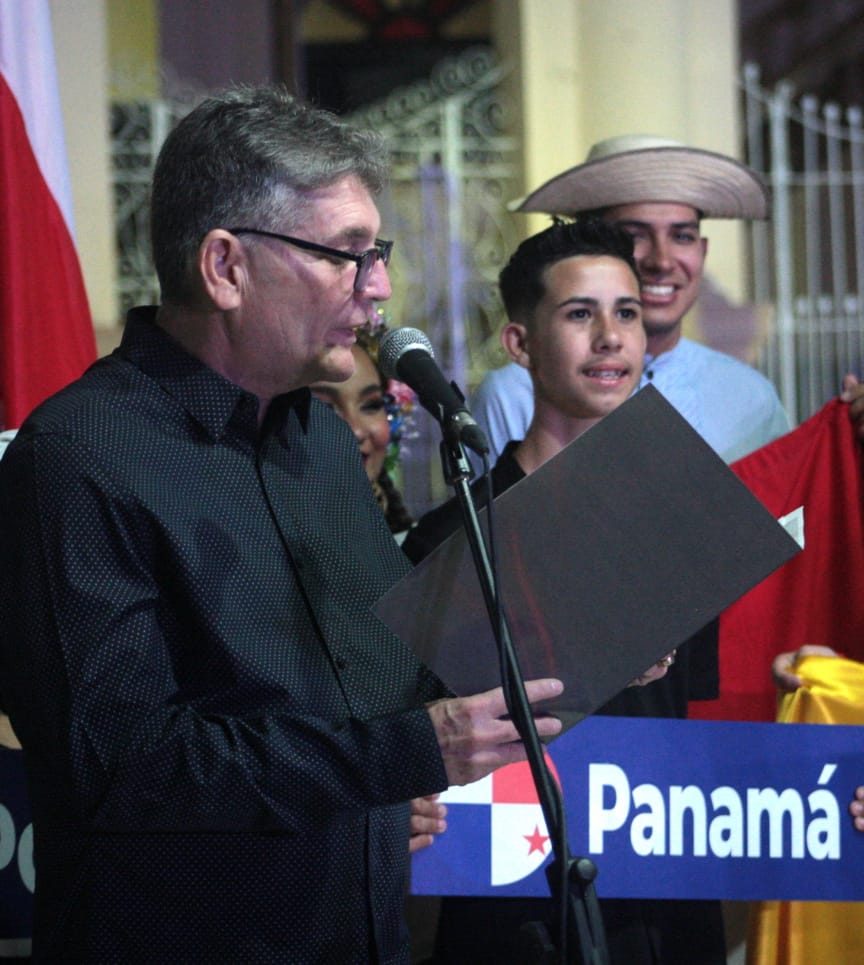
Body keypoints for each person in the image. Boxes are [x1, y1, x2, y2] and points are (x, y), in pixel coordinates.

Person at [0, 85, 564, 962]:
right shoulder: (76, 457)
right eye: (348, 254)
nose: (380, 288)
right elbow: (125, 768)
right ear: (225, 266)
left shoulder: (319, 441)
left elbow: (385, 672)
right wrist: (399, 753)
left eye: (378, 254)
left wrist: (561, 629)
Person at [408, 220, 864, 964]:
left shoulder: (686, 522)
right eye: (580, 313)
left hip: (664, 922)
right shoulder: (455, 541)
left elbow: (693, 743)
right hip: (514, 921)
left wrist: (834, 793)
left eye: (627, 312)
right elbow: (415, 757)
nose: (611, 337)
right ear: (519, 343)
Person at [471, 135, 864, 466]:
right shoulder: (512, 394)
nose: (662, 261)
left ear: (702, 252)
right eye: (634, 235)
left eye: (682, 236)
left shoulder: (749, 395)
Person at [311, 317, 416, 536]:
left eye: (371, 405)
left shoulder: (420, 546)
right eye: (325, 408)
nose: (356, 431)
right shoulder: (259, 546)